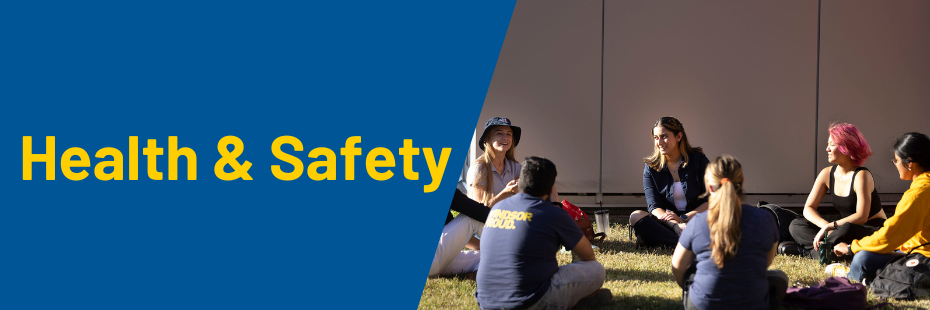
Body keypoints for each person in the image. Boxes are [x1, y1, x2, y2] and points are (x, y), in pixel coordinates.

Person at [475, 157, 611, 309]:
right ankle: (575, 302)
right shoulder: (553, 213)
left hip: (486, 302)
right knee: (596, 269)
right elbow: (587, 256)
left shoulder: (498, 207)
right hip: (529, 301)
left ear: (519, 182)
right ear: (550, 187)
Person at [671, 155, 788, 310]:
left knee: (692, 272)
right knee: (779, 277)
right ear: (742, 182)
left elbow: (677, 267)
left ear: (710, 188)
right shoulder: (765, 218)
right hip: (753, 304)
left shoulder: (698, 222)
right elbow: (766, 262)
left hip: (703, 305)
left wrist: (689, 286)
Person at [831, 133, 930, 283]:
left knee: (863, 258)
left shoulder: (919, 193)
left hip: (923, 258)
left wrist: (852, 247)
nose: (895, 165)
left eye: (896, 161)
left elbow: (888, 237)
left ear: (910, 163)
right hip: (914, 249)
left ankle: (851, 277)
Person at [786, 123, 887, 257]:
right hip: (839, 228)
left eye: (832, 145)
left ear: (846, 148)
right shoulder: (826, 174)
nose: (827, 149)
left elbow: (861, 217)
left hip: (870, 229)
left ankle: (810, 252)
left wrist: (830, 227)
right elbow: (808, 208)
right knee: (796, 224)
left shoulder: (861, 175)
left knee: (845, 229)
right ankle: (830, 251)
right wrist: (825, 225)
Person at [630, 116, 710, 247]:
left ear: (679, 137)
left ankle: (656, 240)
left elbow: (711, 200)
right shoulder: (651, 167)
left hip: (697, 219)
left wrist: (683, 218)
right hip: (668, 224)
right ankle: (685, 244)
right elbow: (654, 207)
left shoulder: (698, 160)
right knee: (635, 216)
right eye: (656, 138)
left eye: (664, 136)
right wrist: (676, 225)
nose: (659, 142)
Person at [428, 190, 493, 278]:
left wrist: (484, 246)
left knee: (487, 256)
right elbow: (475, 210)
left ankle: (479, 272)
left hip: (437, 260)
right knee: (470, 218)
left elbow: (456, 235)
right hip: (433, 259)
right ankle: (511, 250)